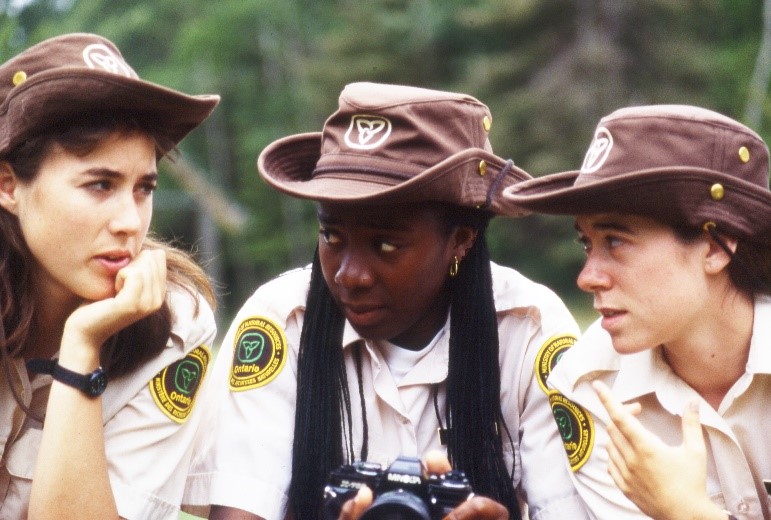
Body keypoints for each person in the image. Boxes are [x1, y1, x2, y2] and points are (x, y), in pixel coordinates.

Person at [184, 82, 589, 520]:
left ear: (461, 240)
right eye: (331, 236)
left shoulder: (529, 331)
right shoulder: (282, 323)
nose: (348, 274)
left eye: (386, 245)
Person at [502, 104, 771, 519]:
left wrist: (686, 512)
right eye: (587, 244)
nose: (588, 277)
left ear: (716, 247)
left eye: (616, 241)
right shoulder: (589, 386)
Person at [0, 33, 220, 519]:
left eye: (144, 188)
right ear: (9, 185)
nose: (130, 221)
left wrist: (81, 346)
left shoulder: (172, 320)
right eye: (100, 184)